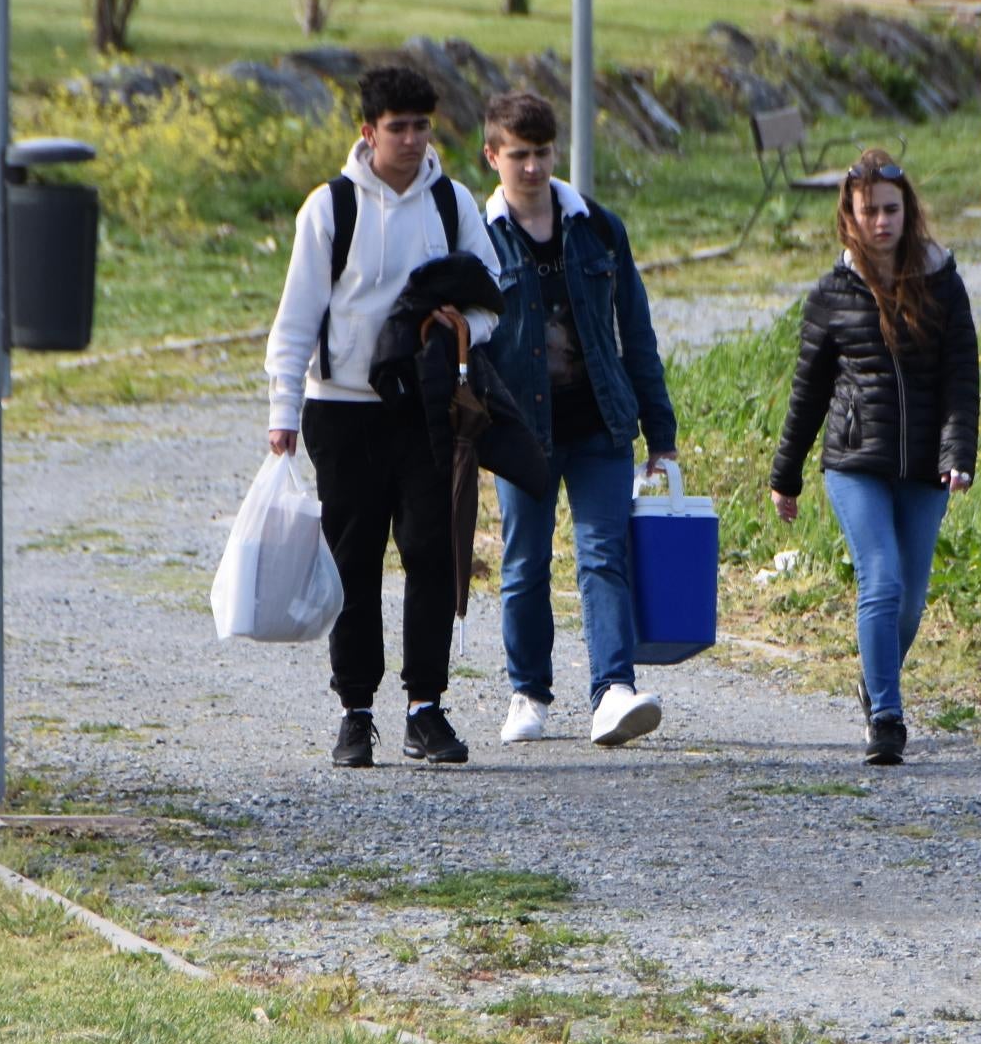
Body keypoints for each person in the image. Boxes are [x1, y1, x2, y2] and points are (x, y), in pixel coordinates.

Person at [263, 64, 505, 769]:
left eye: (421, 126)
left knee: (431, 552)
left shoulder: (454, 205)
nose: (410, 140)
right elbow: (296, 320)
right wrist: (282, 412)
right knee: (354, 562)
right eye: (396, 128)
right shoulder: (329, 209)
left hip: (425, 413)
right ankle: (355, 712)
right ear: (367, 132)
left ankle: (425, 709)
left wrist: (463, 332)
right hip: (342, 414)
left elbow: (493, 297)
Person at [478, 90, 678, 749]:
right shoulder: (477, 239)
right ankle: (527, 694)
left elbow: (637, 335)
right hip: (521, 431)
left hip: (599, 424)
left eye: (541, 153)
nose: (531, 168)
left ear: (555, 152)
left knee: (603, 554)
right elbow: (464, 344)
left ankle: (613, 691)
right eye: (518, 156)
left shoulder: (598, 227)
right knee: (525, 562)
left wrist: (661, 435)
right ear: (492, 156)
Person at [767, 152, 980, 766]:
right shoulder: (832, 293)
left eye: (892, 209)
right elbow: (807, 392)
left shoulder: (943, 282)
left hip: (924, 469)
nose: (882, 222)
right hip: (855, 462)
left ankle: (873, 677)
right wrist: (787, 476)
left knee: (910, 600)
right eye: (870, 212)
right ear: (851, 217)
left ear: (908, 211)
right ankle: (886, 715)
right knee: (881, 580)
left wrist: (957, 453)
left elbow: (960, 380)